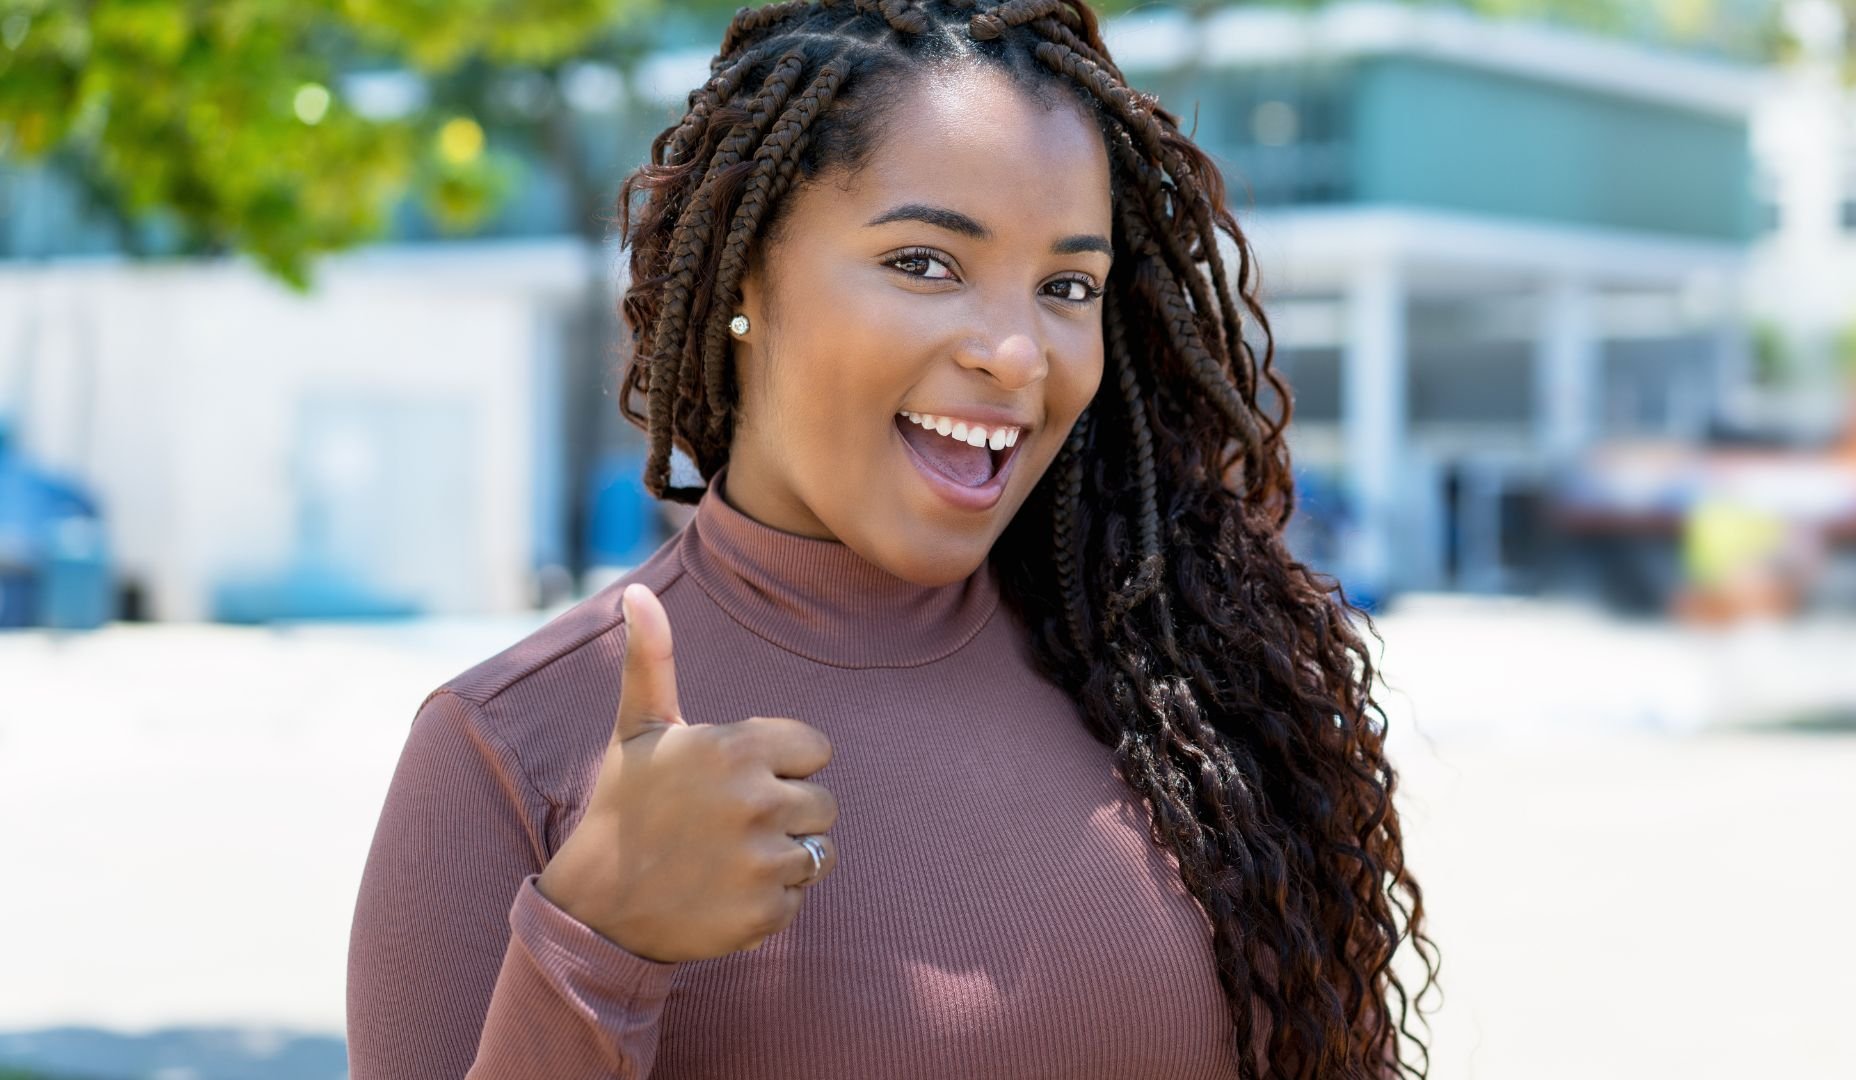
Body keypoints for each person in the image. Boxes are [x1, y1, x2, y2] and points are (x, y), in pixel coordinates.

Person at [345, 1, 1438, 1077]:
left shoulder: (1186, 691)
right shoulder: (505, 752)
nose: (1017, 355)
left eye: (1067, 286)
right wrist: (597, 941)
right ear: (743, 281)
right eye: (925, 262)